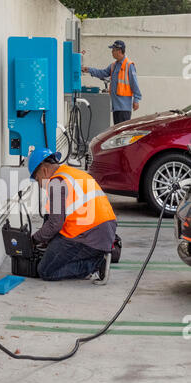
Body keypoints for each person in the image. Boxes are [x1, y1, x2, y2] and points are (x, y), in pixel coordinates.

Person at [28, 148, 117, 281]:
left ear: (44, 170)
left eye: (37, 179)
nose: (40, 184)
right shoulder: (71, 173)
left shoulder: (56, 183)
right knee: (52, 250)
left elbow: (54, 224)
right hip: (104, 231)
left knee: (46, 270)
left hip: (88, 237)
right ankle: (96, 256)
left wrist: (33, 240)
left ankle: (95, 265)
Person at [82, 40, 142, 125]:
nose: (112, 52)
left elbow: (134, 83)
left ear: (119, 51)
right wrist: (88, 70)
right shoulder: (114, 65)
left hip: (124, 108)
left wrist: (136, 100)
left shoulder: (129, 65)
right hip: (116, 107)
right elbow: (102, 73)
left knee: (122, 134)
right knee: (117, 134)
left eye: (113, 50)